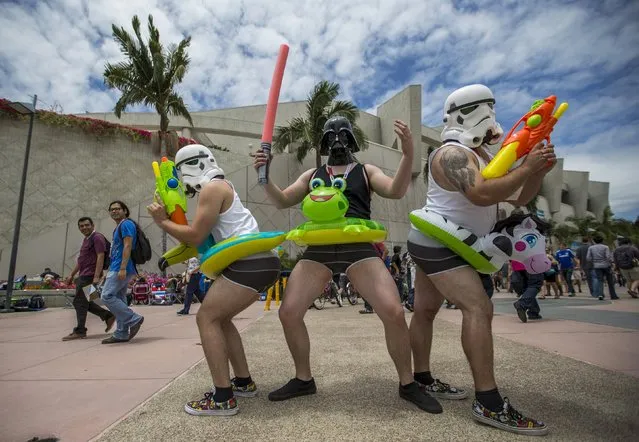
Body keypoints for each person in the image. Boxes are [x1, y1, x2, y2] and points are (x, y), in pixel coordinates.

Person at [253, 116, 442, 413]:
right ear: (325, 142)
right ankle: (303, 379)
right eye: (331, 136)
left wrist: (407, 154)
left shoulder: (365, 171)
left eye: (343, 135)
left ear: (351, 139)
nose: (337, 141)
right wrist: (264, 176)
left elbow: (395, 190)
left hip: (358, 246)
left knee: (393, 311)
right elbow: (282, 200)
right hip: (319, 248)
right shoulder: (312, 174)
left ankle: (408, 383)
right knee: (288, 313)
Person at [407, 84, 552, 435]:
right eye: (484, 109)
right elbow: (482, 193)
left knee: (425, 311)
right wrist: (525, 166)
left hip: (453, 244)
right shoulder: (451, 154)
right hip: (436, 241)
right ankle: (488, 403)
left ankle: (423, 378)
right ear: (465, 114)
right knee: (479, 308)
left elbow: (516, 198)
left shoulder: (484, 157)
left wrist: (536, 171)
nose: (491, 118)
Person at [148, 144, 281, 416]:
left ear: (193, 167)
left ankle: (223, 398)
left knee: (206, 318)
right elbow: (198, 240)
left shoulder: (212, 189)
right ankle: (242, 382)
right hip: (258, 262)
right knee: (221, 319)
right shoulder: (222, 187)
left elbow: (195, 236)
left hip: (248, 263)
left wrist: (161, 221)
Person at [62, 217, 115, 340]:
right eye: (81, 226)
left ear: (92, 225)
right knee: (84, 302)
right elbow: (81, 260)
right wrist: (72, 274)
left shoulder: (97, 237)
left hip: (90, 275)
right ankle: (108, 316)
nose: (84, 228)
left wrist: (97, 276)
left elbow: (100, 256)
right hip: (84, 274)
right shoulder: (87, 239)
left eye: (87, 225)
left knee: (80, 302)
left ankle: (80, 331)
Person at [101, 201, 145, 344]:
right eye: (111, 210)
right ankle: (121, 333)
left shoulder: (126, 224)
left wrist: (122, 268)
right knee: (119, 299)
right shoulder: (120, 226)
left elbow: (127, 245)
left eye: (118, 209)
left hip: (121, 267)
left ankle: (134, 319)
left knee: (106, 296)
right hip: (117, 266)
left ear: (125, 211)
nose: (114, 211)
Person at [588, 234, 619, 300]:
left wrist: (594, 261)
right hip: (606, 265)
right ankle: (613, 295)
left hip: (596, 266)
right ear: (602, 240)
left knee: (600, 280)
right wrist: (611, 262)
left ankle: (600, 295)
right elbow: (608, 257)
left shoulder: (591, 248)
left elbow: (588, 258)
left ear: (594, 241)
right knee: (610, 281)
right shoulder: (605, 247)